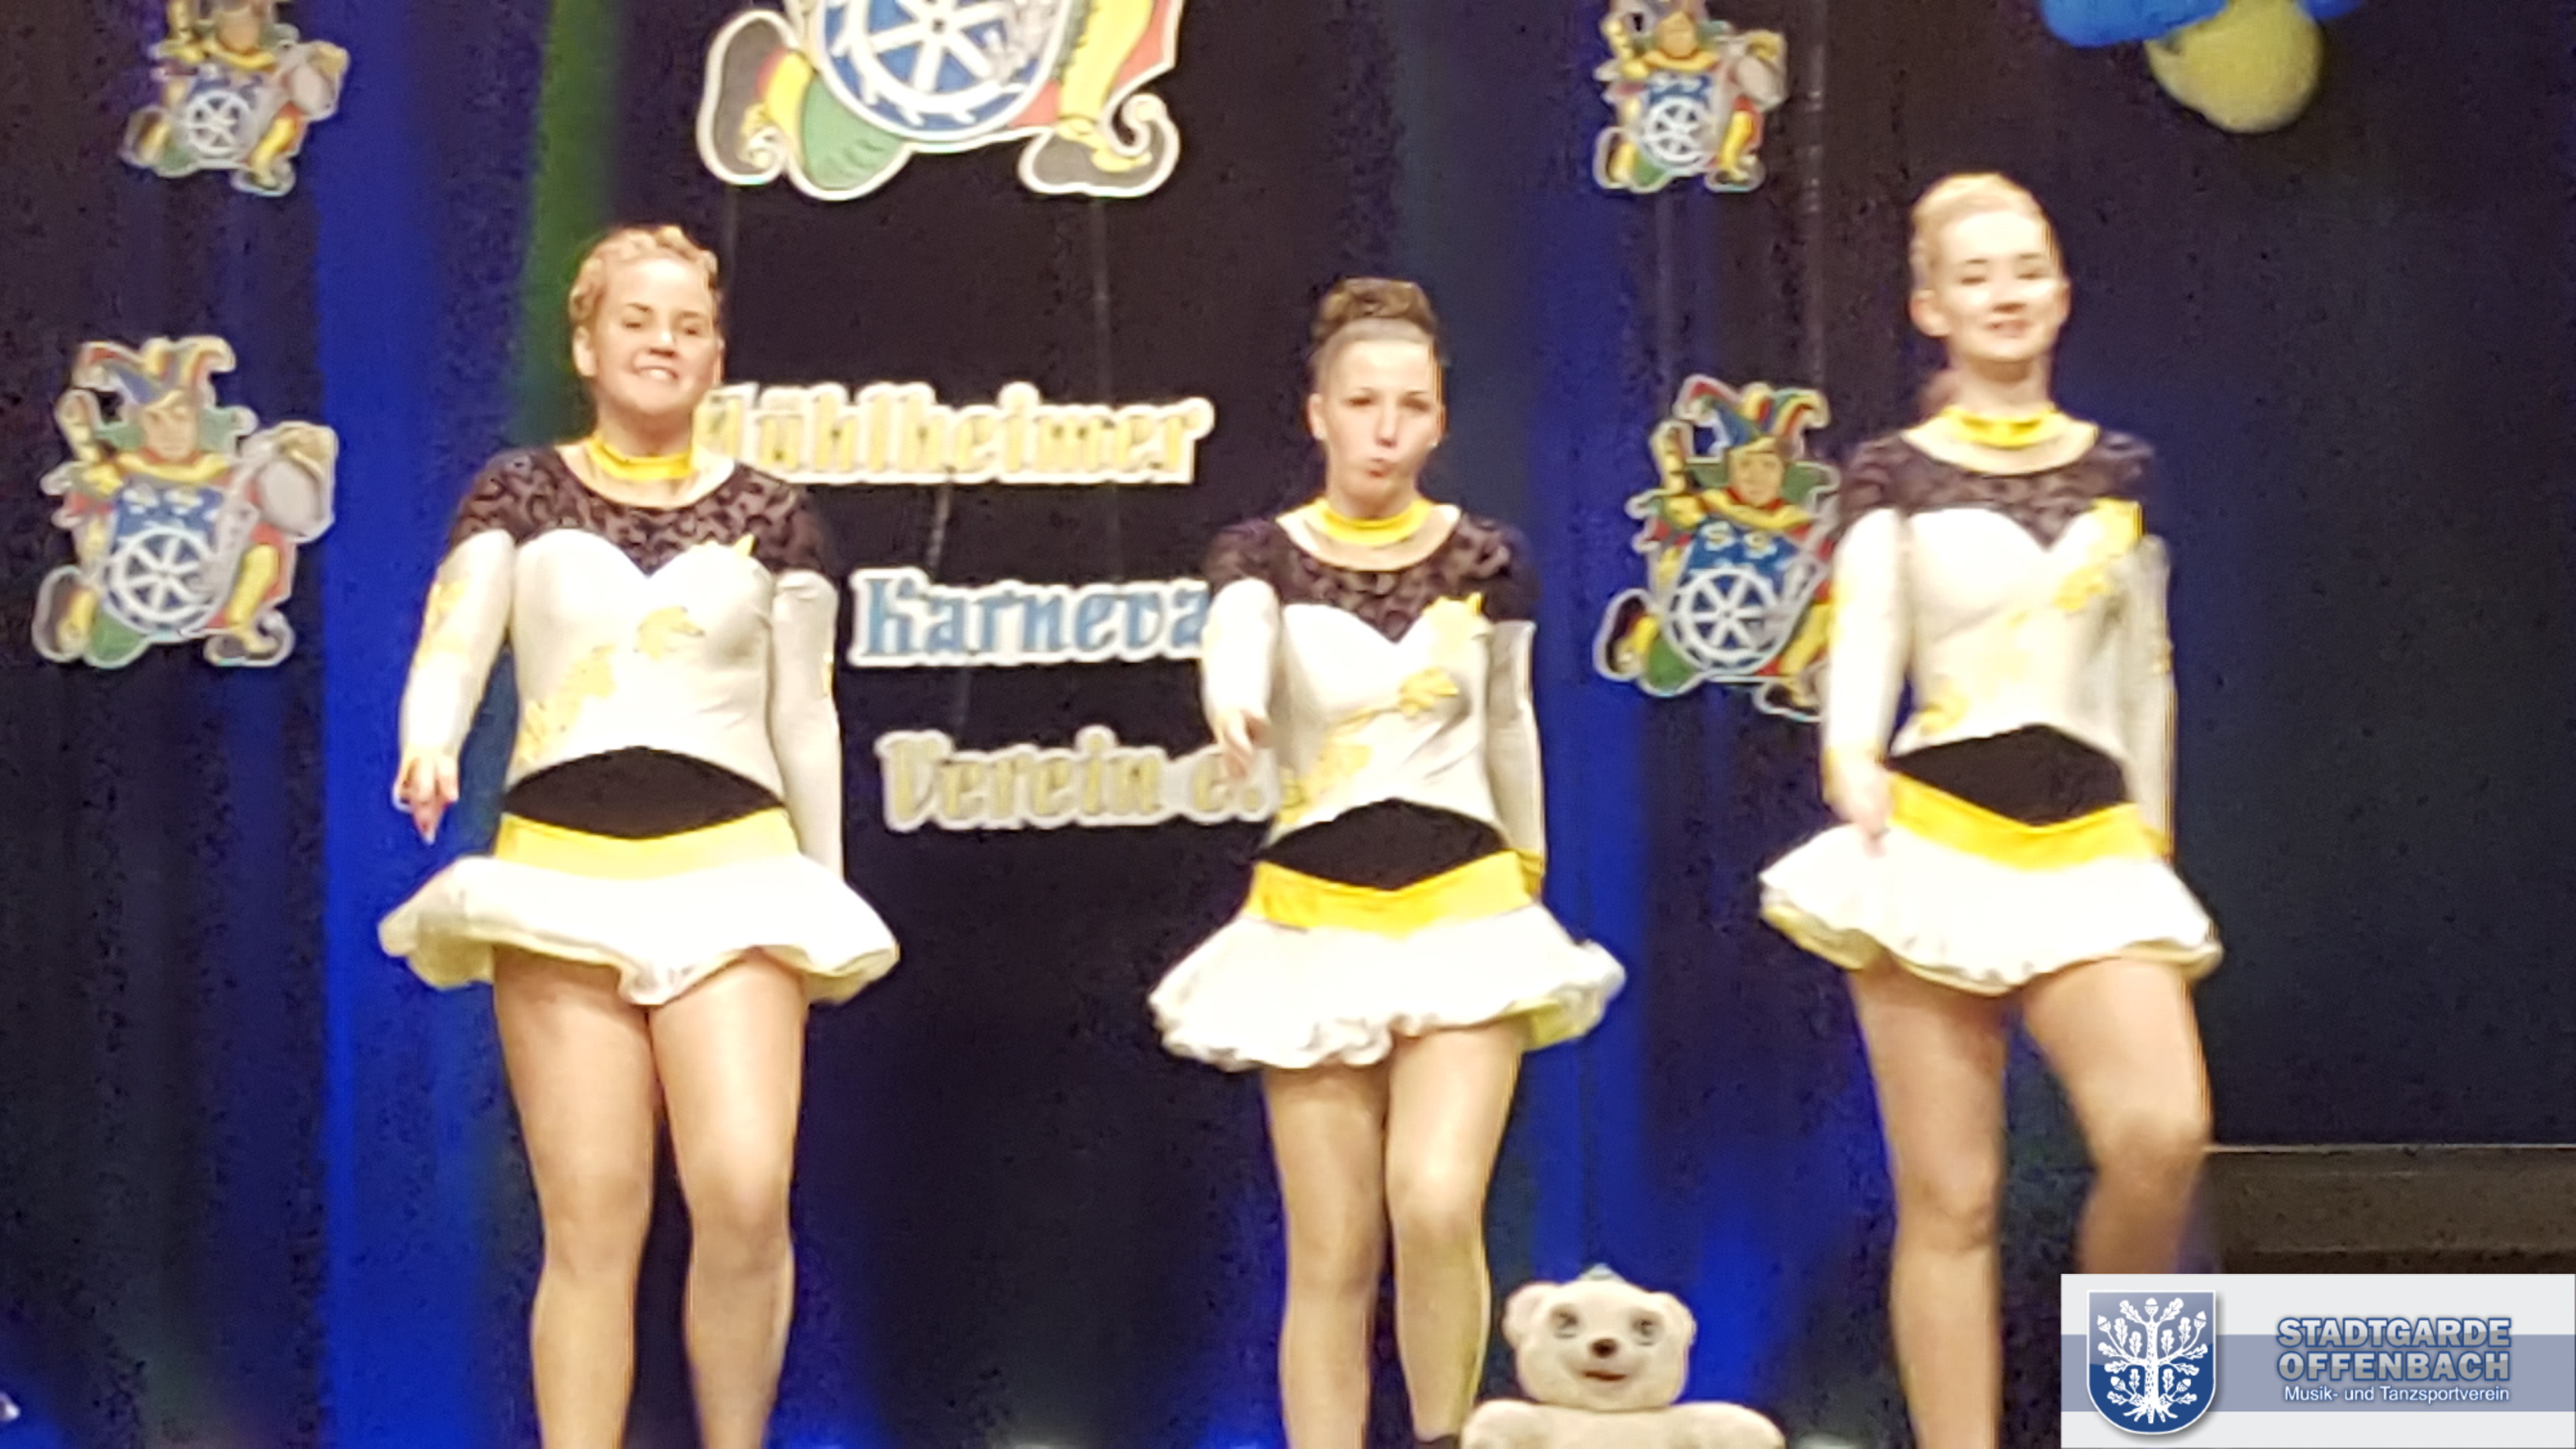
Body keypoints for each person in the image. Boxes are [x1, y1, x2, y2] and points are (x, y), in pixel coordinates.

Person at [378, 226, 898, 1449]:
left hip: (737, 876)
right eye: (637, 320)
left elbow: (806, 715)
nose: (663, 343)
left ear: (716, 354)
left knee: (744, 1189)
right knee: (594, 1217)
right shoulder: (519, 492)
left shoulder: (776, 515)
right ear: (586, 343)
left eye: (689, 326)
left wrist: (823, 896)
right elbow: (455, 641)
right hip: (560, 879)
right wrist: (430, 740)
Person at [1759, 175, 2221, 1449]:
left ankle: (2125, 1409)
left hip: (2091, 850)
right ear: (1932, 307)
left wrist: (2152, 838)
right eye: (1976, 276)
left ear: (2061, 292)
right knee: (1953, 1198)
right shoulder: (1894, 474)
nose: (2006, 294)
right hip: (1937, 839)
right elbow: (1867, 636)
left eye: (2027, 269)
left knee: (2163, 1134)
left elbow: (2147, 673)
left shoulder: (2122, 471)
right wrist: (1851, 759)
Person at [1150, 279, 1625, 1449]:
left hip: (1467, 912)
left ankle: (1446, 1434)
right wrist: (1231, 700)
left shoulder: (1486, 558)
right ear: (1318, 412)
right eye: (1362, 402)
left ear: (1440, 418)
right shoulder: (1261, 554)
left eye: (1411, 405)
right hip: (1313, 923)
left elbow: (1509, 721)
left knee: (1435, 1199)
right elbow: (1238, 636)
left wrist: (1528, 875)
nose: (1385, 428)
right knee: (1334, 1248)